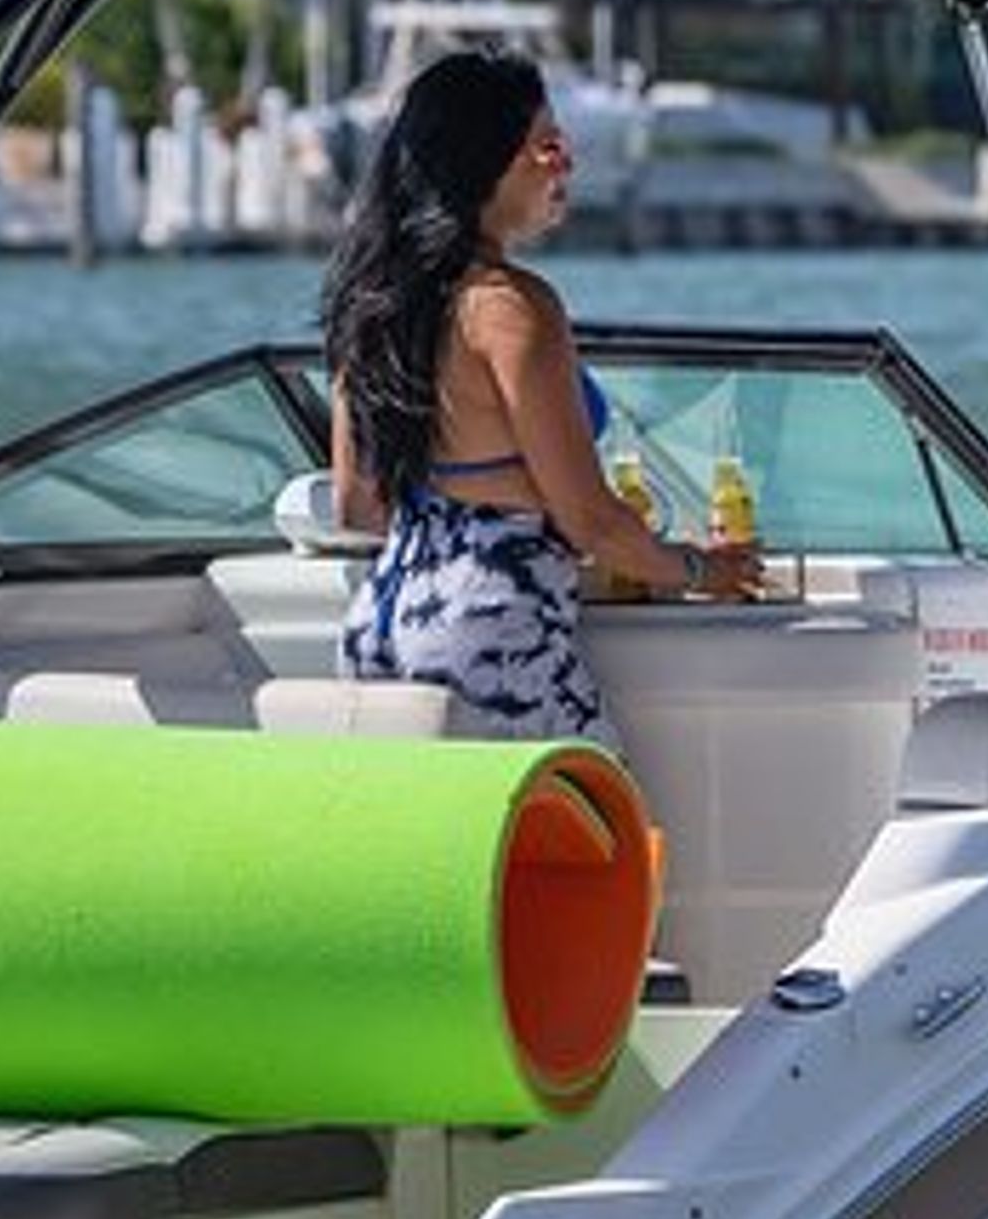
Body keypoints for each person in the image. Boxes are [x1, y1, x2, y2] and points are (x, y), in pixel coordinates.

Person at [323, 49, 765, 739]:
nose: (567, 165)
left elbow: (357, 506)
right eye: (549, 146)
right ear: (482, 160)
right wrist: (702, 569)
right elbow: (591, 520)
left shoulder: (371, 306)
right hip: (492, 632)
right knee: (599, 810)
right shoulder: (511, 308)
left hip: (381, 627)